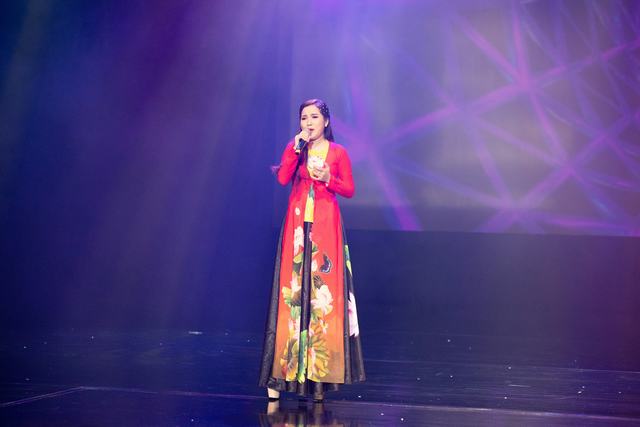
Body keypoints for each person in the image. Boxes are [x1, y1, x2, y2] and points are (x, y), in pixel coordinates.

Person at [259, 99, 365, 402]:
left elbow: (349, 189)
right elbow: (283, 179)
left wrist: (329, 178)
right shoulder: (295, 148)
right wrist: (295, 149)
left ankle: (319, 380)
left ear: (326, 122)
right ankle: (280, 377)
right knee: (292, 298)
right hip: (296, 230)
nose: (308, 122)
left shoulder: (338, 152)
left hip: (325, 228)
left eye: (314, 117)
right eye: (304, 117)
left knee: (322, 298)